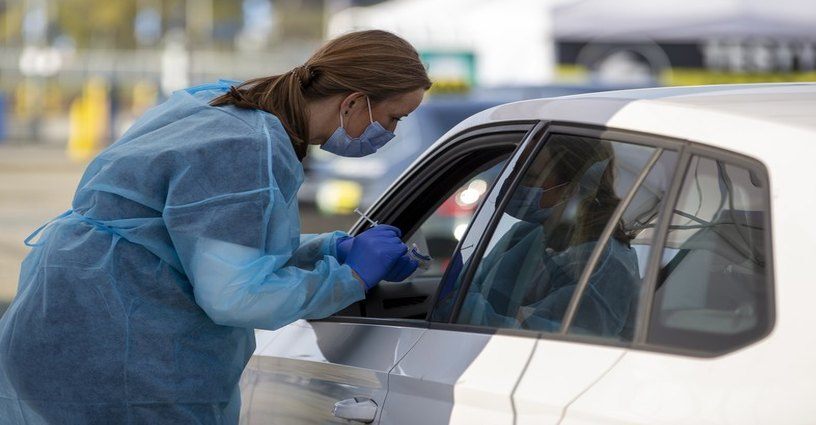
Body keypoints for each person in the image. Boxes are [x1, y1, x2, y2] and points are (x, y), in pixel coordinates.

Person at [0, 30, 431, 424]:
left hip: (78, 326)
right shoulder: (247, 148)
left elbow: (197, 247)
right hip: (121, 360)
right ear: (353, 102)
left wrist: (328, 251)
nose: (389, 133)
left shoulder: (228, 107)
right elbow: (235, 296)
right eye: (394, 117)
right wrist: (351, 277)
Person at [441, 136, 641, 337]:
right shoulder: (527, 233)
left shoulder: (605, 265)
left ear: (570, 189)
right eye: (514, 170)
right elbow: (478, 285)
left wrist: (461, 304)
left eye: (529, 177)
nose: (514, 182)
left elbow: (542, 345)